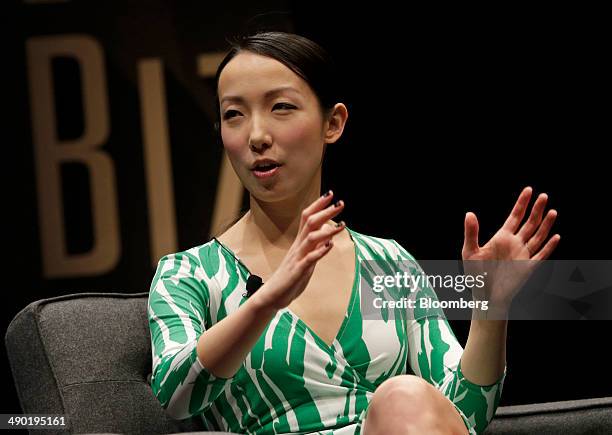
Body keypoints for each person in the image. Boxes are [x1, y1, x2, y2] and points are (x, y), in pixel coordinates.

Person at [148, 31, 559, 434]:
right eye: (233, 114)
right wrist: (266, 301)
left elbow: (461, 417)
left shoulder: (387, 263)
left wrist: (490, 311)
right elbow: (175, 393)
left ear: (333, 123)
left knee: (403, 399)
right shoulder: (189, 274)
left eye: (281, 107)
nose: (257, 136)